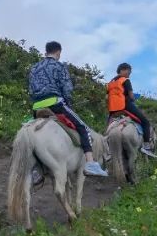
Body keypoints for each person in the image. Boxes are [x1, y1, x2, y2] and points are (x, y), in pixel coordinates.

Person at [28, 41, 108, 177]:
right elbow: (67, 88)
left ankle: (37, 168)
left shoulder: (34, 68)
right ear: (58, 52)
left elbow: (30, 88)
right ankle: (90, 163)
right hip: (55, 103)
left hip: (37, 106)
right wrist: (68, 103)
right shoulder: (59, 66)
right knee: (83, 128)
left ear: (46, 51)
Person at [107, 62, 156, 156]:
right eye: (129, 72)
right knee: (145, 122)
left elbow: (107, 97)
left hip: (113, 110)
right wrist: (134, 98)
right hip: (125, 106)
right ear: (123, 70)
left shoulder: (111, 82)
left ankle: (108, 149)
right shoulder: (125, 80)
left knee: (108, 128)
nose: (129, 74)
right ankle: (146, 147)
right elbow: (131, 96)